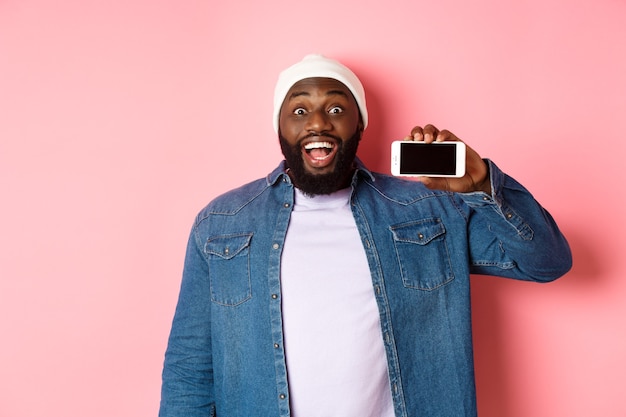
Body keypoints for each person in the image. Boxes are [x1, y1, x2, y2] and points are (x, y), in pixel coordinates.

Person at [159, 54, 572, 417]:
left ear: (359, 123)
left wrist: (481, 183)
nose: (318, 122)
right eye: (299, 110)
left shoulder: (429, 209)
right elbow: (190, 367)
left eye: (336, 108)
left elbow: (547, 261)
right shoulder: (224, 223)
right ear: (279, 126)